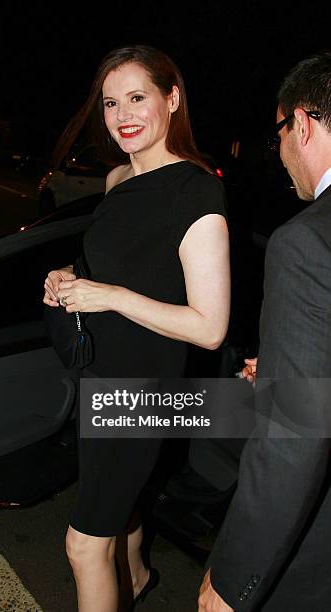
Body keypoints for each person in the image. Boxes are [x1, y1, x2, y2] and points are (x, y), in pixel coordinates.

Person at [43, 44, 230, 611]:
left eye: (137, 97)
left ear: (172, 99)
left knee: (82, 546)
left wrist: (111, 296)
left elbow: (209, 328)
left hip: (142, 393)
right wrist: (70, 278)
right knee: (115, 506)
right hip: (98, 375)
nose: (122, 114)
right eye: (110, 103)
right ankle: (139, 576)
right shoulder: (117, 178)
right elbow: (119, 265)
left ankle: (129, 577)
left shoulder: (197, 191)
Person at [198, 51, 331, 612]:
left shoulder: (304, 243)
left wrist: (232, 579)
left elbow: (295, 435)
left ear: (300, 122)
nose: (278, 154)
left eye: (278, 133)